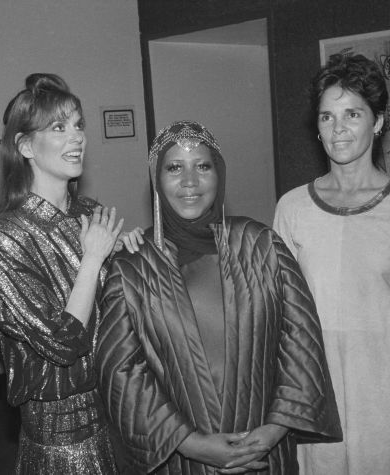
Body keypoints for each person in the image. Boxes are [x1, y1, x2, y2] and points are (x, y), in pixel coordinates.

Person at [94, 120, 341, 474]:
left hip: (266, 454)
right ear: (157, 180)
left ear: (219, 174)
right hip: (182, 459)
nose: (190, 182)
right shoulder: (133, 268)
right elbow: (121, 372)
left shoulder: (261, 245)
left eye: (203, 166)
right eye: (174, 168)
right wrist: (191, 443)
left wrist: (271, 432)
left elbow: (301, 340)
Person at [273, 53, 390, 474]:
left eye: (352, 114)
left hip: (389, 388)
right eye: (326, 117)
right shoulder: (293, 207)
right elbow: (284, 305)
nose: (338, 129)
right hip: (317, 389)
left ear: (377, 122)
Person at [0, 73, 141, 474]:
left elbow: (117, 315)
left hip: (116, 404)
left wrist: (128, 256)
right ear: (26, 145)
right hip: (63, 435)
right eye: (59, 127)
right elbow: (63, 343)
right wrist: (93, 258)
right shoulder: (2, 240)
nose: (78, 137)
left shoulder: (87, 213)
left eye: (79, 125)